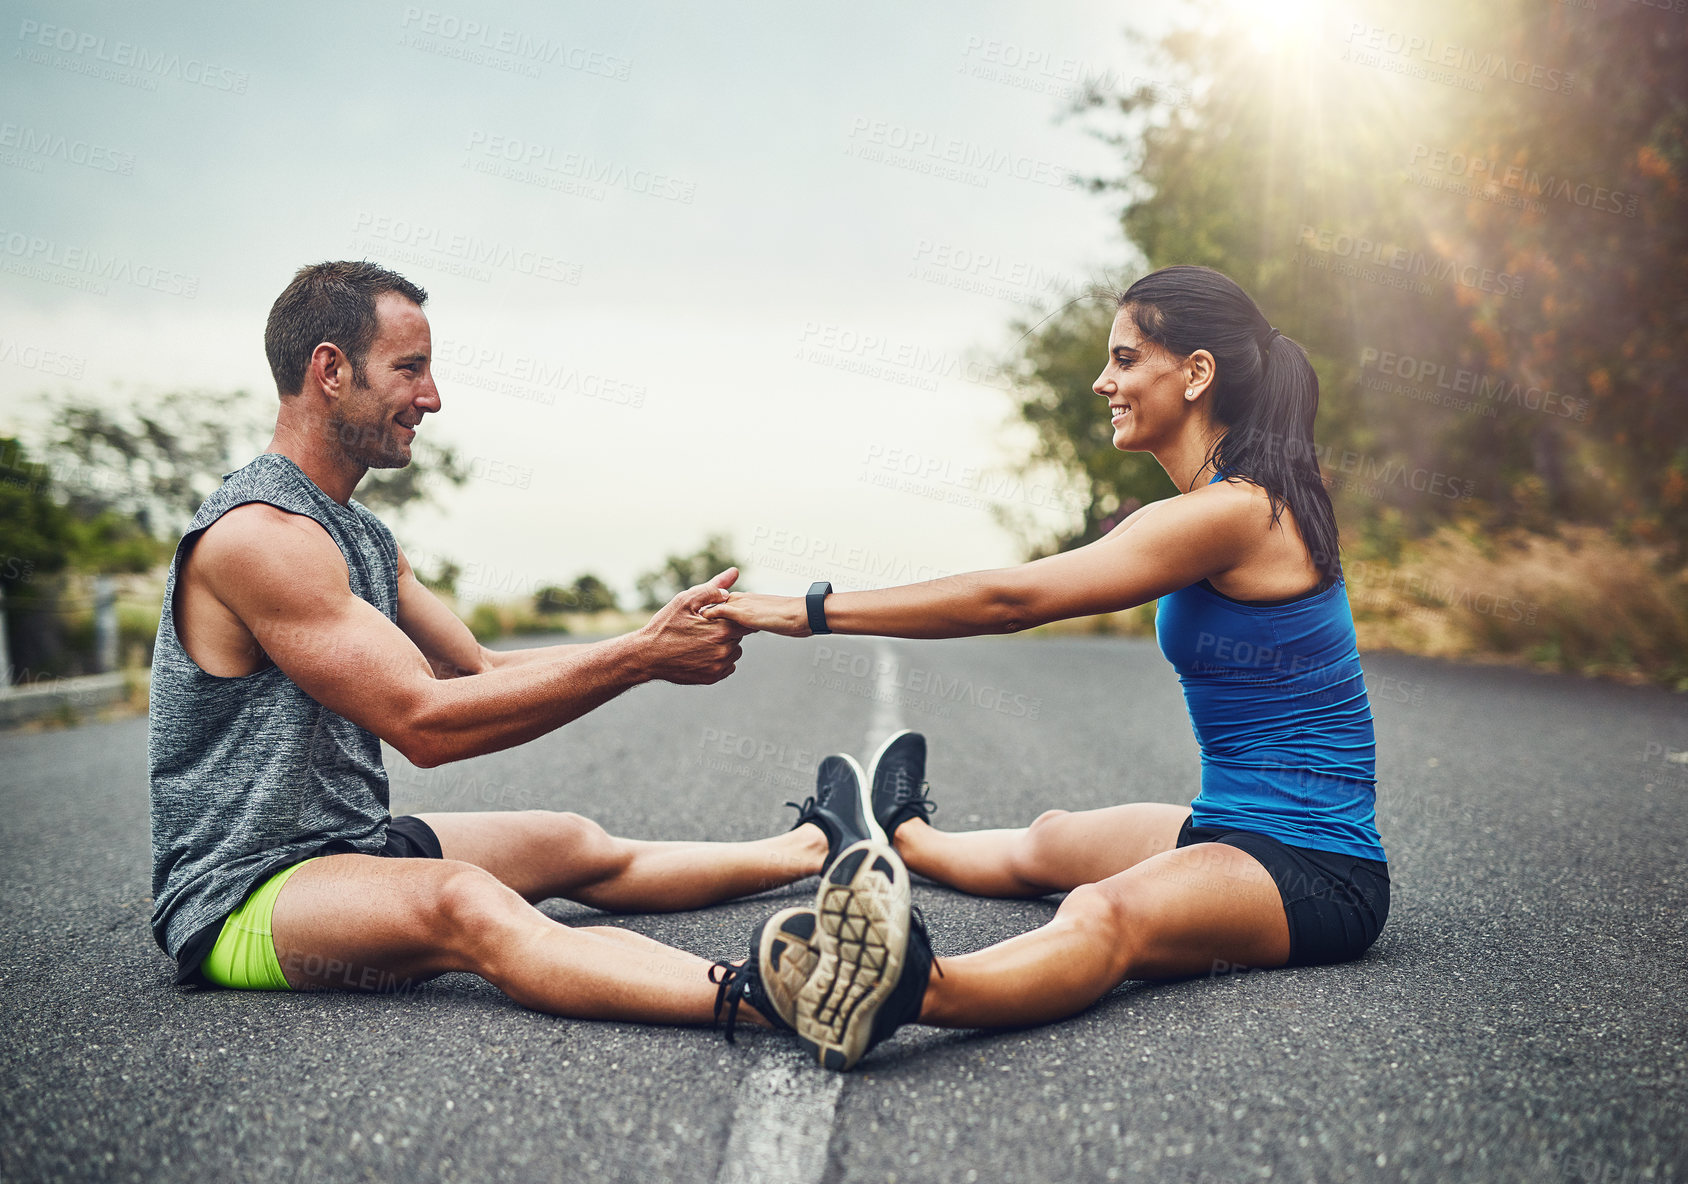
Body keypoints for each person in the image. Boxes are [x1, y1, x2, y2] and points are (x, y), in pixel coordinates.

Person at [148, 260, 883, 1033]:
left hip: (350, 848)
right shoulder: (257, 537)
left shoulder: (358, 534)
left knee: (567, 841)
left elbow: (479, 670)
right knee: (467, 903)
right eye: (410, 369)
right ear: (330, 369)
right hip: (242, 897)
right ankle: (791, 997)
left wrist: (652, 643)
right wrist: (640, 659)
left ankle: (819, 846)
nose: (431, 398)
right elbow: (425, 723)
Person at [705, 265, 1391, 1071]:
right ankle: (903, 836)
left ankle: (906, 989)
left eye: (1127, 359)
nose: (1105, 382)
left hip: (1317, 869)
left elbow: (1010, 599)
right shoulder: (1242, 501)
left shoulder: (1234, 512)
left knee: (1105, 912)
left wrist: (803, 611)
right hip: (1230, 822)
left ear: (1197, 373)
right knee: (1051, 843)